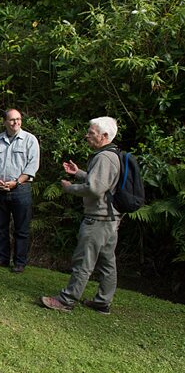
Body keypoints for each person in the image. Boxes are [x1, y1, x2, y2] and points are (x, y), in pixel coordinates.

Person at [41, 117, 122, 314]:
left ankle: (66, 300)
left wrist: (70, 188)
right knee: (107, 262)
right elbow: (103, 182)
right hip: (111, 218)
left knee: (84, 261)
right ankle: (103, 301)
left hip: (98, 219)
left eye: (91, 133)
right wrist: (79, 173)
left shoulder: (104, 157)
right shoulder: (113, 154)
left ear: (104, 136)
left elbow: (94, 189)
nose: (87, 135)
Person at [0, 108, 40, 273]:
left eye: (19, 119)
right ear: (4, 122)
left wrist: (16, 182)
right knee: (0, 226)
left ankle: (20, 262)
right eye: (12, 120)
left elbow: (32, 165)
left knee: (21, 229)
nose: (16, 122)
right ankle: (2, 258)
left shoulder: (30, 140)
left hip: (21, 190)